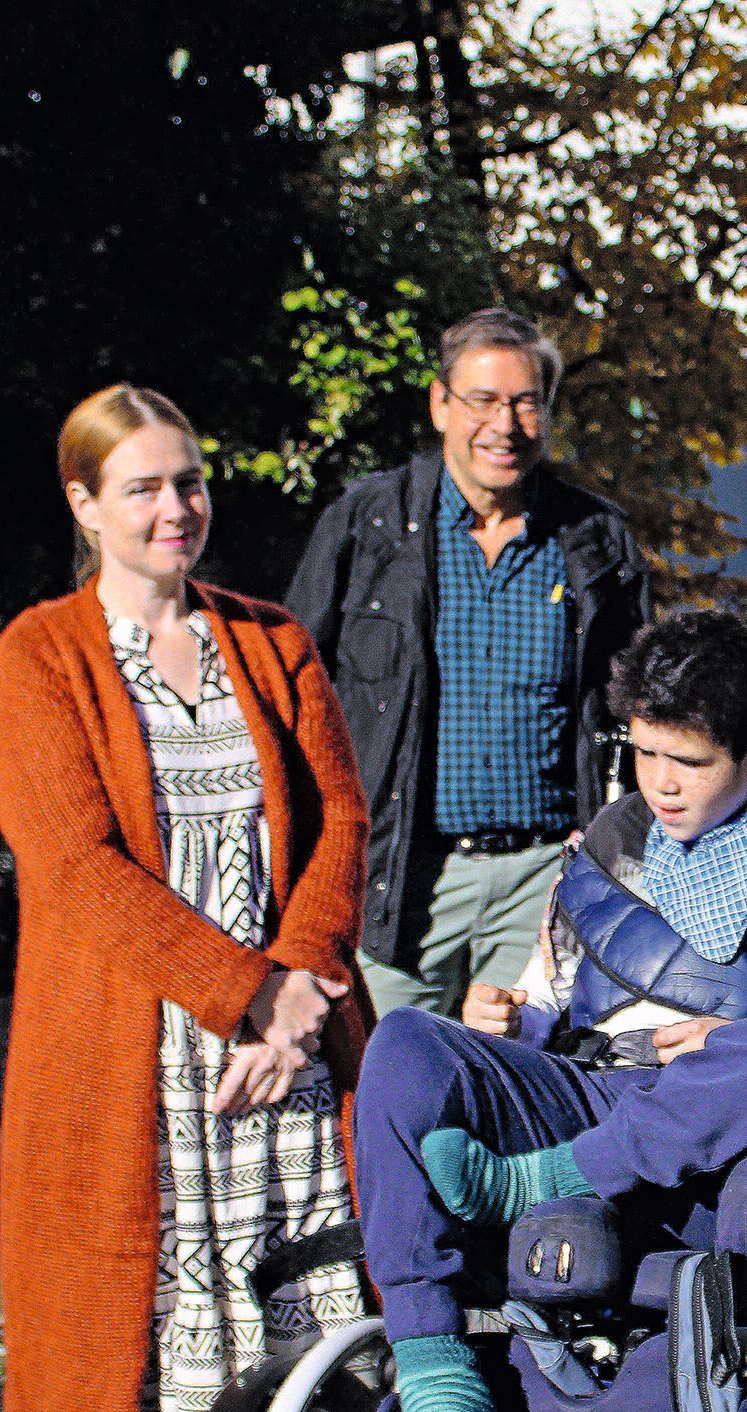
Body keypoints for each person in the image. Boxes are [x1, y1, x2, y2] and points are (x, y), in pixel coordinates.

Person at [353, 607, 747, 1412]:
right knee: (404, 1043)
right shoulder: (612, 837)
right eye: (645, 754)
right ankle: (434, 1363)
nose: (660, 786)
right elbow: (551, 993)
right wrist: (509, 1018)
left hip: (727, 1146)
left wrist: (743, 1032)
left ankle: (541, 1183)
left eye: (690, 763)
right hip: (593, 1090)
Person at [0, 384, 377, 1412]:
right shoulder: (37, 657)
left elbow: (337, 824)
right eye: (143, 486)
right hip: (127, 1042)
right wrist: (241, 994)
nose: (175, 508)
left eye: (190, 481)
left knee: (316, 1284)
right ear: (85, 504)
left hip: (291, 1035)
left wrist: (303, 984)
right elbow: (78, 869)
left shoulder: (270, 640)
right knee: (88, 1310)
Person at [286, 306, 650, 1017]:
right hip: (403, 874)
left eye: (525, 402)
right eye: (484, 400)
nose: (505, 425)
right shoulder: (369, 525)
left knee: (513, 1084)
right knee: (389, 1082)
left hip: (541, 874)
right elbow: (293, 688)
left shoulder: (594, 538)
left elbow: (636, 710)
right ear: (441, 404)